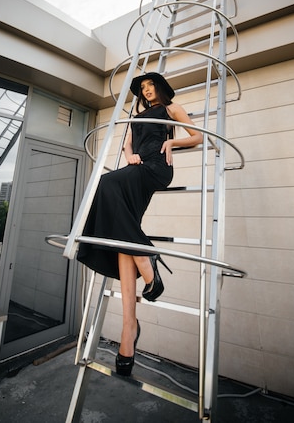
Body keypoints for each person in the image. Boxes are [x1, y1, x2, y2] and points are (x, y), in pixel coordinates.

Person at [77, 72, 203, 376]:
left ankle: (148, 262)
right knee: (123, 237)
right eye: (142, 89)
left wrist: (173, 142)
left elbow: (197, 136)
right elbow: (128, 146)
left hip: (158, 168)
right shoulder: (138, 116)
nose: (146, 92)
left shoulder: (170, 110)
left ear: (159, 89)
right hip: (138, 168)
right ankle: (128, 334)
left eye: (150, 87)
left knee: (106, 183)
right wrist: (130, 156)